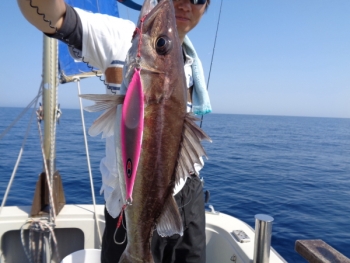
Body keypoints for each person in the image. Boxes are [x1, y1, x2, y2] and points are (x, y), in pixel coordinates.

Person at [17, 0, 212, 262]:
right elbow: (51, 14)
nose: (186, 4)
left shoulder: (188, 61)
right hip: (130, 203)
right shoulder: (119, 37)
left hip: (188, 194)